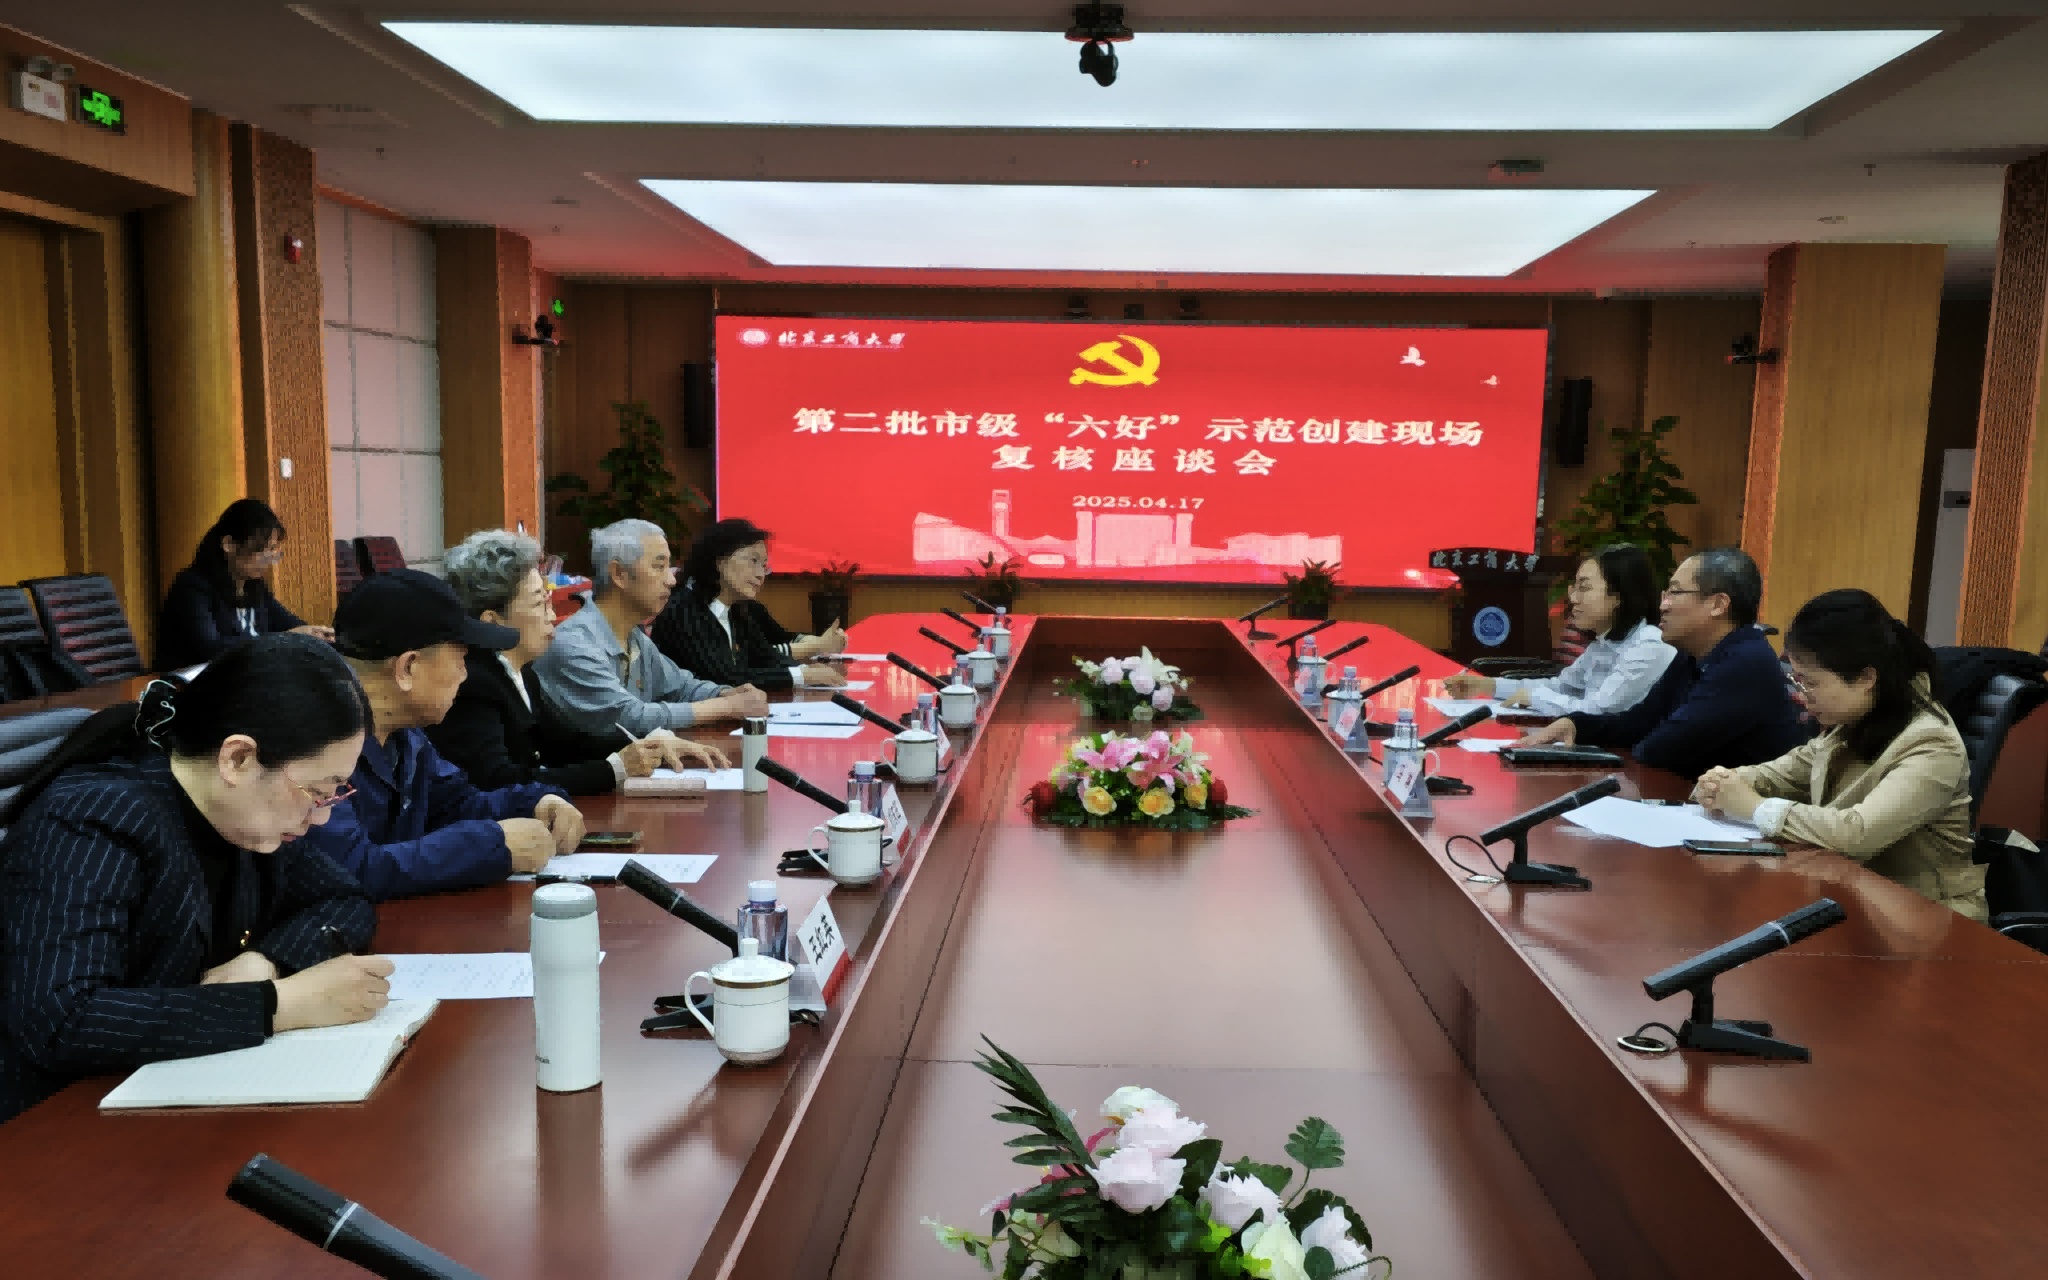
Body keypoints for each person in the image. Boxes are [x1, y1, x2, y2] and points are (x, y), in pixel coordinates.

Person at [0, 634, 392, 1123]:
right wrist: (277, 1006)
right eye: (317, 792)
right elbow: (61, 1019)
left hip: (161, 1088)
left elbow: (344, 898)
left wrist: (268, 961)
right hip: (53, 1120)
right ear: (238, 759)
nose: (322, 817)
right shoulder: (94, 821)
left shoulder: (242, 818)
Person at [1695, 589, 1985, 920]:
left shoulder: (1932, 743)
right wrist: (1724, 782)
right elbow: (1780, 773)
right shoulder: (1852, 721)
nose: (1802, 696)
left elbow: (1858, 833)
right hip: (1853, 899)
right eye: (1797, 680)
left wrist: (1756, 807)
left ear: (1865, 677)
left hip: (1928, 919)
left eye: (1811, 683)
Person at [301, 568, 587, 901]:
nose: (465, 675)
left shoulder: (407, 735)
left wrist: (536, 802)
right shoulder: (314, 739)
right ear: (408, 667)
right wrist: (491, 845)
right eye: (461, 658)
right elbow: (349, 869)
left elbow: (457, 804)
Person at [430, 530, 728, 795]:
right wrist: (614, 769)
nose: (552, 616)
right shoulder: (472, 683)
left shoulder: (521, 671)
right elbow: (500, 782)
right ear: (492, 622)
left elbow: (563, 743)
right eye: (539, 604)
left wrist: (648, 746)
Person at [1515, 547, 1808, 778]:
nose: (1662, 604)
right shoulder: (1693, 653)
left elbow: (1660, 750)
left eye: (1675, 593)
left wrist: (1624, 736)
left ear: (1718, 605)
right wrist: (1576, 725)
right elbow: (1639, 721)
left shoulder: (1746, 663)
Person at [530, 518, 770, 741]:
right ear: (619, 574)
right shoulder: (573, 643)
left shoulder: (634, 637)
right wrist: (728, 706)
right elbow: (630, 718)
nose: (671, 580)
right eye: (659, 566)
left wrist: (727, 694)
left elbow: (681, 686)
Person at [1444, 543, 1674, 717]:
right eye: (1575, 588)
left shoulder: (1649, 645)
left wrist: (1534, 698)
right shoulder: (1604, 642)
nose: (1573, 598)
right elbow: (1561, 687)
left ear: (1618, 596)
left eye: (1584, 588)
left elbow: (1598, 711)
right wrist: (1486, 685)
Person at [651, 518, 850, 693]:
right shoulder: (684, 610)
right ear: (719, 561)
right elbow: (723, 677)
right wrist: (801, 676)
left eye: (764, 566)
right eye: (753, 561)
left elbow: (764, 655)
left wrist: (810, 671)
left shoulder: (735, 609)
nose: (760, 574)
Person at [156, 498, 334, 669]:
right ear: (229, 544)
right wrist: (285, 638)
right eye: (260, 549)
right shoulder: (193, 587)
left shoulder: (256, 588)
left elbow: (292, 626)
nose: (268, 558)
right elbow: (210, 650)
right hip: (195, 685)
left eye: (272, 549)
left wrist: (315, 634)